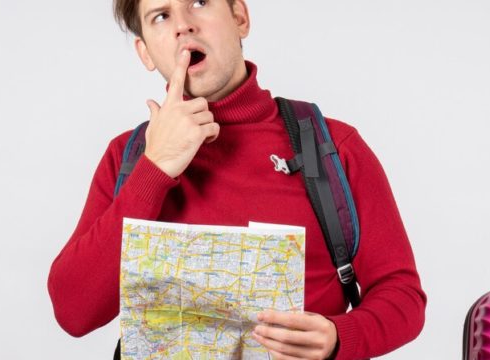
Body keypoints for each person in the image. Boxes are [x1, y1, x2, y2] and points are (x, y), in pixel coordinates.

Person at [47, 0, 426, 358]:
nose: (183, 25)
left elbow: (403, 297)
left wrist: (339, 336)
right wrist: (156, 168)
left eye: (199, 1)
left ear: (239, 16)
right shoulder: (127, 158)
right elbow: (74, 312)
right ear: (146, 52)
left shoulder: (334, 148)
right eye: (160, 15)